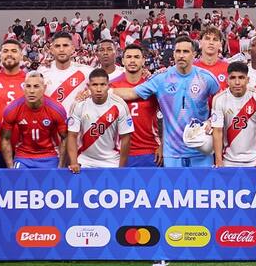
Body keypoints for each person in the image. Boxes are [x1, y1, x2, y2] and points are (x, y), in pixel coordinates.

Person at [112, 36, 220, 168]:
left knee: (202, 188)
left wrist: (211, 120)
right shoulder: (161, 78)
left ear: (194, 54)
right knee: (174, 189)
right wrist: (102, 91)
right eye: (178, 51)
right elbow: (132, 93)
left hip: (201, 150)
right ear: (173, 53)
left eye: (185, 52)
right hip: (172, 153)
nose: (181, 55)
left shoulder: (207, 78)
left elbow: (222, 101)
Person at [66, 69, 133, 171]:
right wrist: (74, 162)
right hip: (85, 160)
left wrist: (121, 168)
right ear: (88, 87)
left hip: (112, 161)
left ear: (109, 86)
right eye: (95, 85)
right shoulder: (79, 105)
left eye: (103, 84)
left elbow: (126, 138)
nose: (99, 89)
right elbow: (72, 135)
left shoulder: (119, 105)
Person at [211, 62, 256, 167]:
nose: (237, 82)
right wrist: (218, 159)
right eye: (233, 78)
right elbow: (217, 131)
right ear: (227, 80)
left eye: (241, 77)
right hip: (228, 160)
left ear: (248, 80)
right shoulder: (219, 99)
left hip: (255, 160)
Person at [1, 71, 68, 169]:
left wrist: (61, 166)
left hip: (49, 156)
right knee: (19, 182)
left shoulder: (56, 109)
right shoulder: (12, 109)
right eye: (28, 86)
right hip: (23, 157)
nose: (31, 91)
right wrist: (11, 167)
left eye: (36, 86)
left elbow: (65, 138)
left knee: (51, 184)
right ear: (23, 88)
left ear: (44, 88)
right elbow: (5, 139)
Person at [110, 44, 161, 167]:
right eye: (128, 57)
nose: (132, 60)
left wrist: (163, 145)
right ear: (122, 61)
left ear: (143, 60)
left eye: (137, 57)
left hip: (150, 151)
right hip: (119, 153)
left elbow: (168, 117)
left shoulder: (153, 86)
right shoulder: (112, 86)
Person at [38, 32, 92, 112]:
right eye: (57, 46)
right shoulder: (42, 71)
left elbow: (105, 89)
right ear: (52, 50)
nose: (61, 49)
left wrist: (90, 92)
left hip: (76, 123)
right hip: (49, 122)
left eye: (65, 45)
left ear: (73, 48)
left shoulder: (86, 71)